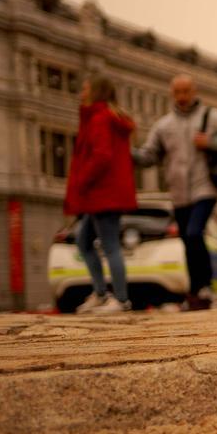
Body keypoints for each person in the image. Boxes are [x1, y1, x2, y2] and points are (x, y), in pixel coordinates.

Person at [132, 73, 217, 311]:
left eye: (186, 91)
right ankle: (195, 292)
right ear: (172, 94)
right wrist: (125, 151)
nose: (182, 97)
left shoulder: (211, 117)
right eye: (177, 92)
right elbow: (149, 156)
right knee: (187, 240)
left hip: (205, 188)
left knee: (194, 233)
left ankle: (205, 287)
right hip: (179, 192)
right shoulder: (164, 126)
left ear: (194, 92)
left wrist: (212, 141)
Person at [64, 75, 137, 314]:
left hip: (103, 193)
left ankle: (121, 299)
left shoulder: (100, 118)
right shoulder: (108, 117)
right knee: (84, 241)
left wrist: (82, 181)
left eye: (85, 88)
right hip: (105, 192)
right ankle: (100, 293)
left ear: (96, 91)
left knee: (110, 245)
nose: (81, 93)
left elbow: (101, 156)